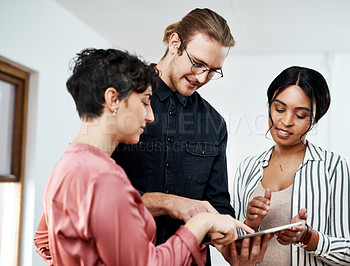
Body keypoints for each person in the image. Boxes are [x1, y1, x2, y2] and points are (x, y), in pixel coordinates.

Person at [33, 48, 254, 265]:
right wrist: (201, 222)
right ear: (113, 99)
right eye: (145, 102)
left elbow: (44, 240)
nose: (150, 116)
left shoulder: (67, 164)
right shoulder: (106, 177)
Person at [111, 8, 270, 264]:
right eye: (197, 63)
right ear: (175, 44)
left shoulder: (214, 123)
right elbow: (99, 194)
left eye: (213, 70)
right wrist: (169, 203)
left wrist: (236, 242)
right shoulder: (124, 98)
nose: (202, 77)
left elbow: (217, 203)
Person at [231, 66, 350, 265]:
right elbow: (234, 254)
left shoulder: (333, 168)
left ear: (314, 120)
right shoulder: (247, 169)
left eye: (300, 115)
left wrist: (307, 236)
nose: (286, 121)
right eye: (279, 109)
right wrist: (250, 224)